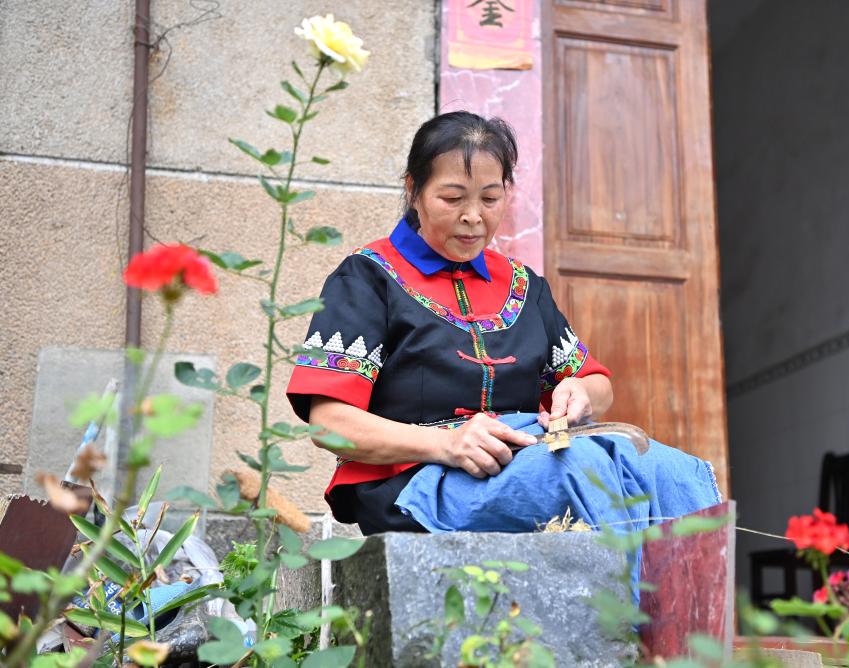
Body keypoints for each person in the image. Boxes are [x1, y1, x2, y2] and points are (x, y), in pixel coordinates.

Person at [286, 111, 720, 537]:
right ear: (413, 190)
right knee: (581, 471)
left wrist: (578, 392)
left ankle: (672, 608)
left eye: (490, 199)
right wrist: (447, 445)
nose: (474, 216)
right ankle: (627, 608)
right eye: (453, 199)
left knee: (669, 470)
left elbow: (597, 383)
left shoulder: (524, 286)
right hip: (413, 481)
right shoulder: (367, 277)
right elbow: (330, 424)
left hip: (518, 461)